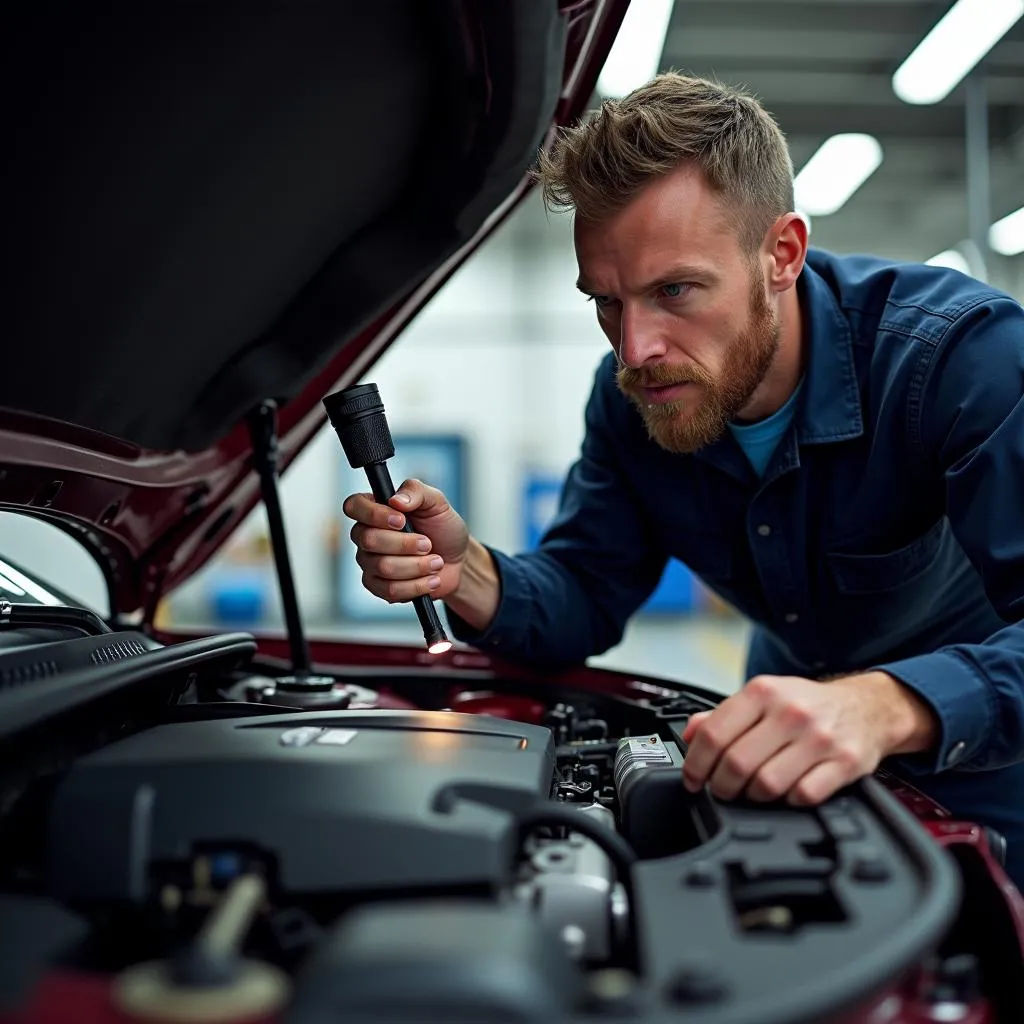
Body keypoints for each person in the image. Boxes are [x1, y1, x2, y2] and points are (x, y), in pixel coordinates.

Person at [343, 73, 1024, 887]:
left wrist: (885, 705)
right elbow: (584, 592)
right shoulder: (633, 400)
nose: (634, 351)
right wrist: (469, 572)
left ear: (782, 254)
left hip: (993, 759)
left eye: (675, 291)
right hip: (783, 740)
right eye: (607, 303)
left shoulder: (958, 360)